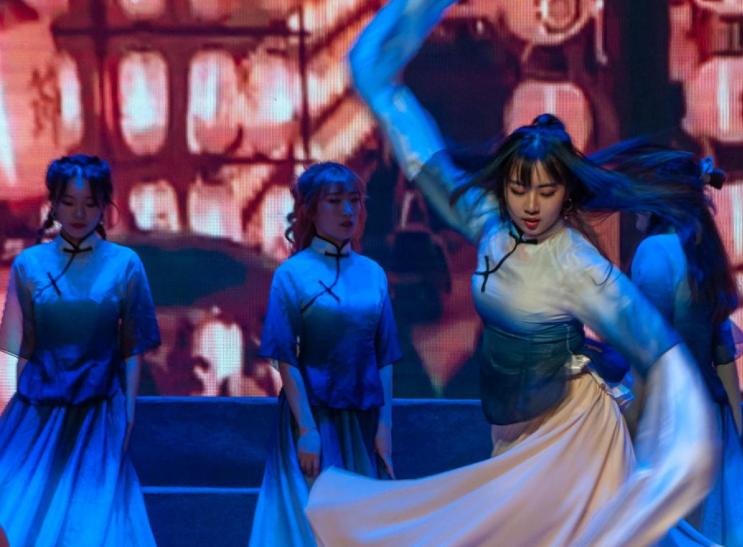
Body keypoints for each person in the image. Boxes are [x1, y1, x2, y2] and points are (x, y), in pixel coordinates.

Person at [303, 1, 720, 545]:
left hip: (573, 438)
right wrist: (380, 73)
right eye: (521, 188)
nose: (531, 204)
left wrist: (667, 445)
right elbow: (409, 133)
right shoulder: (487, 222)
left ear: (565, 194)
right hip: (514, 440)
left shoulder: (576, 263)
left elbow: (658, 353)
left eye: (546, 191)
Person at [0, 155, 160, 546]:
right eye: (69, 202)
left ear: (105, 206)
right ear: (53, 204)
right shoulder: (29, 264)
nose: (78, 213)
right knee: (19, 512)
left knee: (93, 523)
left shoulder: (125, 264)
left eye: (89, 203)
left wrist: (128, 413)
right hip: (37, 409)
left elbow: (133, 348)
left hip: (98, 410)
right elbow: (19, 348)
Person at [621, 149, 743, 546]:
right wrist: (732, 426)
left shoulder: (655, 252)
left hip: (670, 419)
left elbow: (648, 351)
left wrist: (625, 417)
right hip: (710, 415)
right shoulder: (700, 250)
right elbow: (722, 355)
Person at [248, 162, 402, 546]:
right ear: (310, 210)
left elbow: (385, 358)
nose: (348, 211)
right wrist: (307, 430)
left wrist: (384, 428)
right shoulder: (292, 274)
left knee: (360, 523)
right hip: (312, 417)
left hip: (363, 421)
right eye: (335, 201)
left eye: (354, 200)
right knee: (310, 525)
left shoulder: (373, 273)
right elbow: (285, 358)